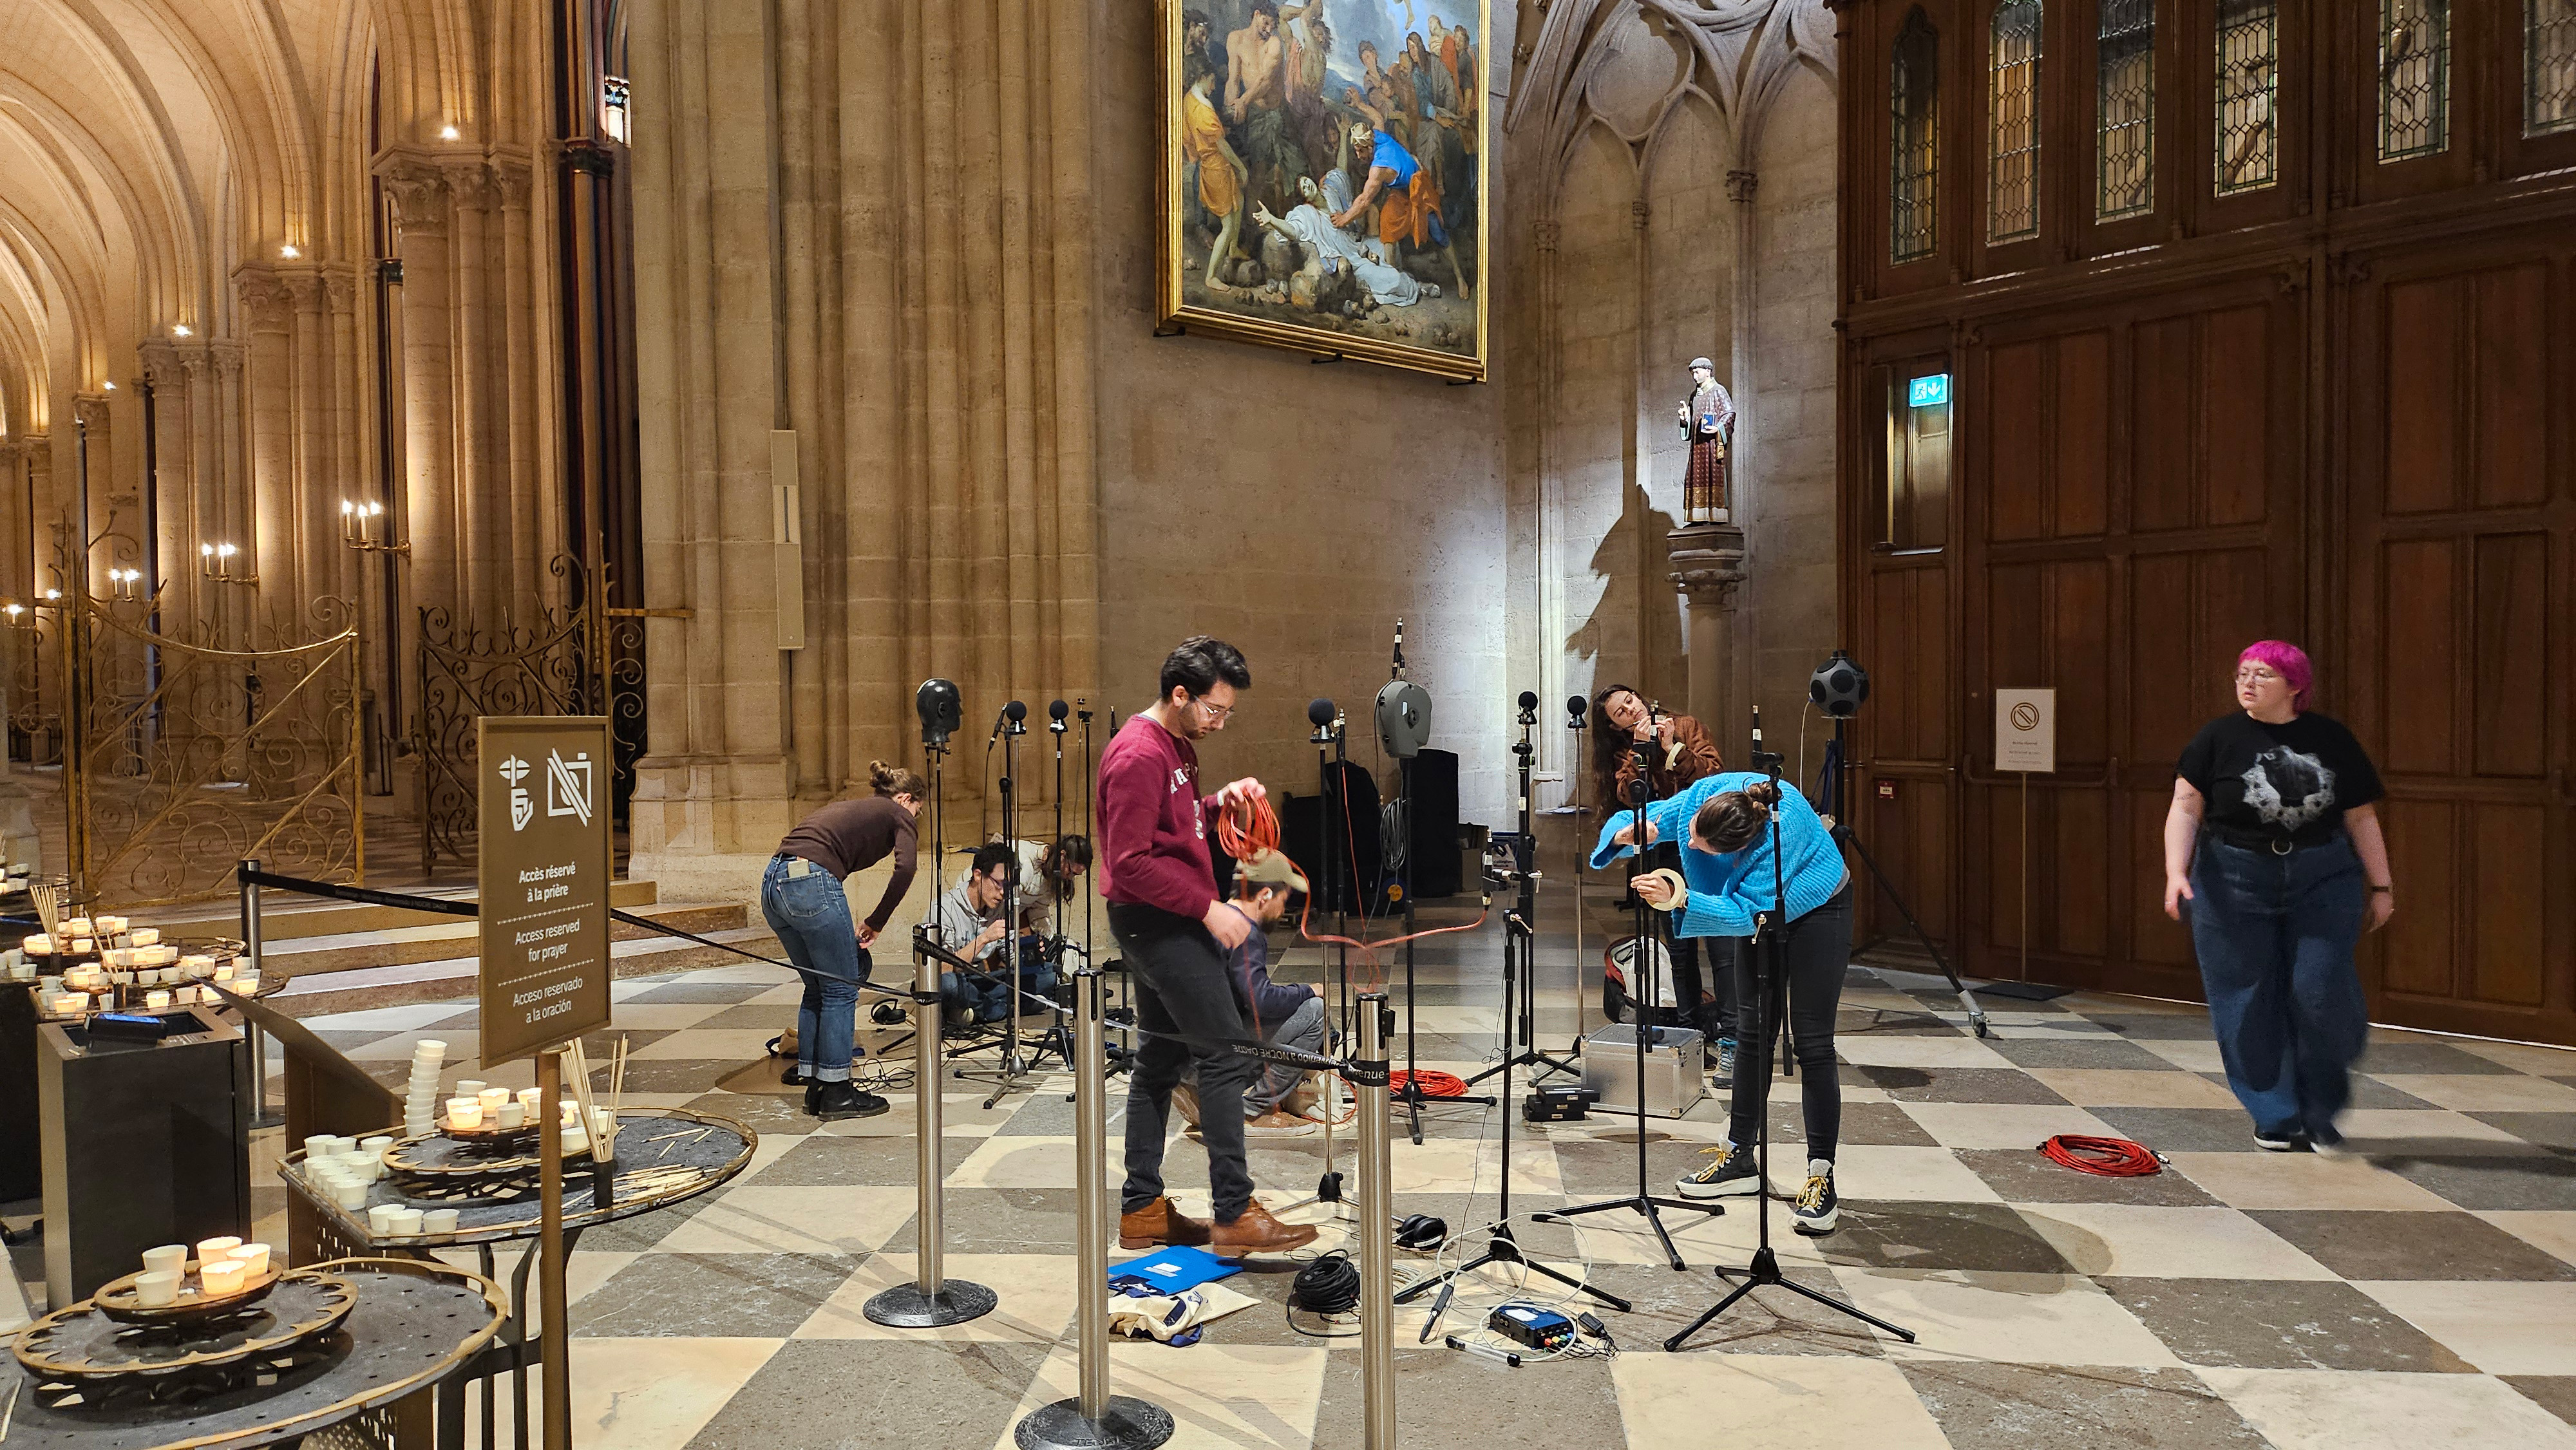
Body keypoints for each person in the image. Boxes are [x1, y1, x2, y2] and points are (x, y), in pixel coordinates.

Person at [1102, 636, 1318, 1256]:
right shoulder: (1137, 754)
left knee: (1160, 1063)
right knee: (1226, 1057)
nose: (1220, 722)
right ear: (1179, 694)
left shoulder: (1177, 746)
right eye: (1214, 710)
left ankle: (1142, 1209)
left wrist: (1217, 800)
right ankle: (1234, 1213)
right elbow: (1130, 860)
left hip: (1161, 920)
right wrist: (1208, 908)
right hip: (1160, 923)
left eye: (1227, 712)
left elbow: (1167, 825)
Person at [1596, 773, 1853, 1234]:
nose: (1690, 847)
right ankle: (1739, 1157)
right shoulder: (1708, 796)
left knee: (1813, 1044)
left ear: (1738, 846)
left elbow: (1746, 913)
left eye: (1703, 846)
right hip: (1760, 911)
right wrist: (1628, 832)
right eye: (1692, 832)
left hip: (1819, 910)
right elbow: (1654, 816)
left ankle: (1821, 1177)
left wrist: (1680, 896)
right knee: (1752, 1033)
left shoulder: (1777, 837)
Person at [2163, 641, 2394, 1153]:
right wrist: (2176, 872)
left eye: (2263, 674)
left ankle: (2322, 1112)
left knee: (2323, 991)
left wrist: (2381, 885)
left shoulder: (2330, 738)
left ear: (2295, 686)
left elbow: (2361, 816)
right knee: (2244, 998)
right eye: (2242, 672)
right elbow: (2185, 806)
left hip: (2322, 875)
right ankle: (2275, 1113)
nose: (2247, 682)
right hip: (2233, 875)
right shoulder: (2217, 737)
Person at [1591, 684, 1738, 1078]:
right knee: (1679, 948)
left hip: (1705, 845)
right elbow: (1627, 796)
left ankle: (1731, 1038)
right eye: (1621, 713)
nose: (1631, 710)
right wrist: (1641, 754)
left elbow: (1714, 773)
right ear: (1614, 725)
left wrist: (1673, 747)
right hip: (1664, 852)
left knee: (1722, 946)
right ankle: (1689, 1033)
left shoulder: (1687, 727)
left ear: (1642, 698)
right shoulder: (1626, 753)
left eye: (1631, 701)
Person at [764, 760, 923, 1120]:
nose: (917, 818)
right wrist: (877, 921)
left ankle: (815, 1083)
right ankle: (837, 1093)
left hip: (773, 882)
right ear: (906, 798)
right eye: (918, 810)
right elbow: (908, 867)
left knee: (819, 987)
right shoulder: (897, 812)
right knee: (840, 988)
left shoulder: (855, 806)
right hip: (810, 884)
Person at [1168, 851, 1329, 1137]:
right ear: (1265, 894)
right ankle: (1251, 1111)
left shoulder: (1213, 918)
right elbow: (1260, 1001)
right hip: (1215, 1056)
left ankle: (1200, 1093)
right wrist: (1307, 990)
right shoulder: (1242, 930)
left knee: (1294, 1008)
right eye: (1284, 898)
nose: (1283, 909)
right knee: (1315, 1012)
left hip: (1188, 1055)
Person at [1330, 113, 1471, 301]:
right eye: (1356, 151)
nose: (1359, 156)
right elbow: (1378, 118)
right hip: (1401, 192)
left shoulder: (1379, 169)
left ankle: (1459, 277)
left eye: (1361, 151)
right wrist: (1359, 105)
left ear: (1370, 147)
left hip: (1418, 189)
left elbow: (1364, 201)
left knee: (1438, 232)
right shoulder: (1377, 135)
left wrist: (1344, 219)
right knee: (1387, 222)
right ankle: (1393, 276)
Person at [931, 842, 1037, 1024]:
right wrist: (984, 938)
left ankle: (972, 1011)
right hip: (952, 979)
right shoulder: (944, 909)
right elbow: (941, 969)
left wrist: (1030, 955)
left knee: (1047, 978)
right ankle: (999, 1009)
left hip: (980, 981)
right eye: (999, 884)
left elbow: (1010, 956)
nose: (1003, 892)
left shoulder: (999, 906)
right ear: (978, 875)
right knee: (949, 985)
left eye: (1008, 885)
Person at [1224, 2, 1305, 214]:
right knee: (1258, 172)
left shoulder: (1275, 44)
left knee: (1295, 169)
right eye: (1266, 23)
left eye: (1273, 26)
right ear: (1256, 15)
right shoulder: (1236, 39)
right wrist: (1230, 108)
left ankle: (1298, 221)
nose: (1269, 30)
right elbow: (1233, 79)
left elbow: (1265, 81)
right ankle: (1252, 223)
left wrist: (1243, 101)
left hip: (1279, 113)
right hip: (1257, 115)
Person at [1180, 60, 1249, 294]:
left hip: (1211, 162)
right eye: (1212, 81)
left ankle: (1233, 250)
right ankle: (1211, 276)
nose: (1214, 87)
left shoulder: (1189, 100)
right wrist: (1241, 167)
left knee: (1238, 201)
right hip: (1216, 168)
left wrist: (1198, 151)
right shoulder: (1203, 109)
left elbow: (1187, 136)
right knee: (1228, 224)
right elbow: (1222, 146)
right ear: (1203, 76)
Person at [1678, 357, 1735, 522]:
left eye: (1697, 372)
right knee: (1694, 476)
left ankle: (1714, 516)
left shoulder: (1718, 391)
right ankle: (1698, 517)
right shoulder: (1694, 395)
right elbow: (1690, 422)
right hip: (1697, 447)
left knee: (1712, 475)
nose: (1694, 376)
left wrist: (1718, 428)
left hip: (1711, 446)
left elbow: (1729, 413)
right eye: (1693, 373)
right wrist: (1685, 420)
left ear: (1708, 372)